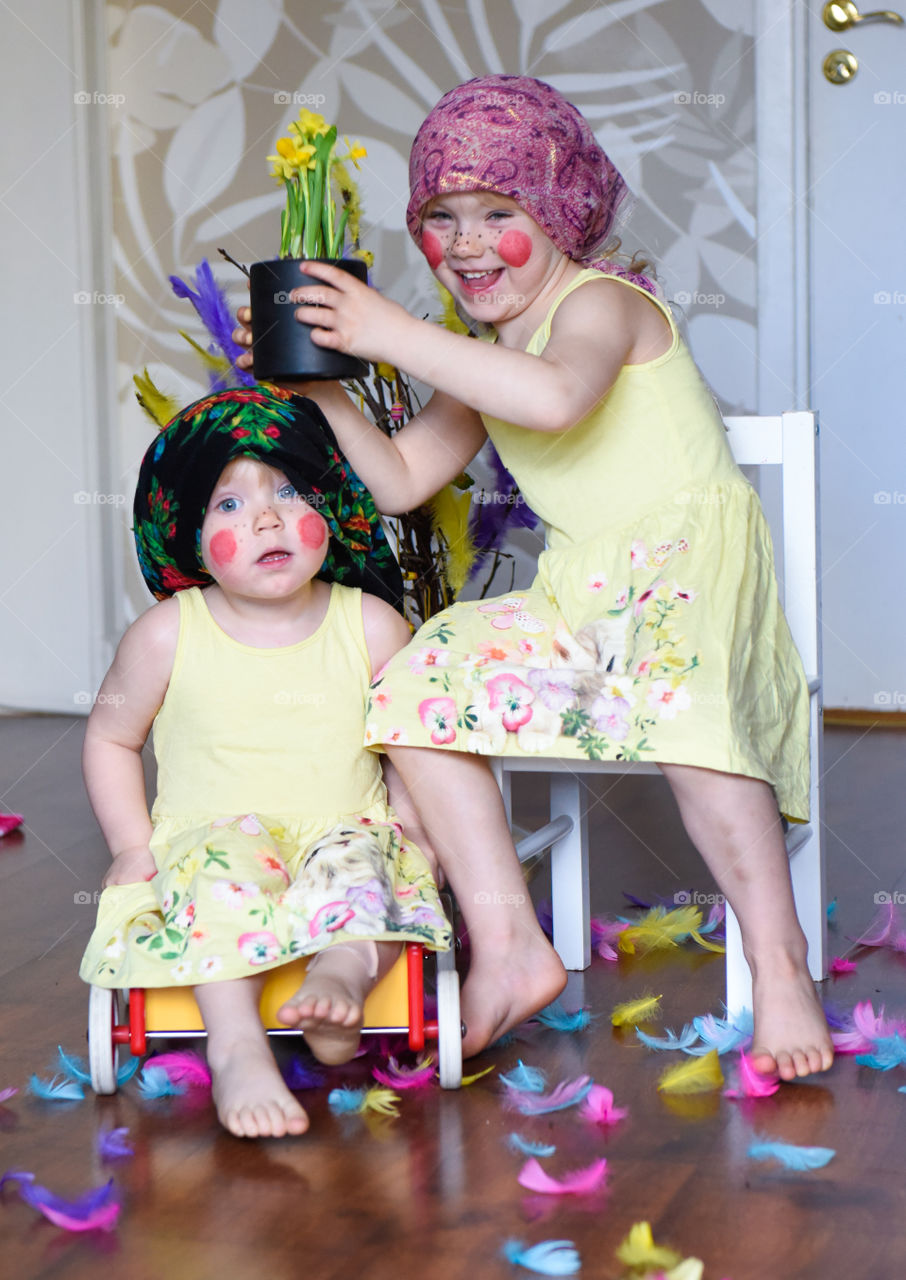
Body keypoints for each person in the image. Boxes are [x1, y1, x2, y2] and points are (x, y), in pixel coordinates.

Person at [233, 73, 833, 1081]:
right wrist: (321, 390)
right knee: (417, 686)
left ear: (559, 213)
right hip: (579, 597)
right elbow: (400, 479)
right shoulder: (484, 352)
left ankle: (780, 961)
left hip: (688, 571)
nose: (468, 243)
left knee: (688, 710)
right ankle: (511, 938)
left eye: (498, 214)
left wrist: (384, 331)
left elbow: (556, 399)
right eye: (441, 218)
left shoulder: (602, 304)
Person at [79, 385, 452, 1139]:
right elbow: (110, 739)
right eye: (228, 506)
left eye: (289, 491)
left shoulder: (373, 624)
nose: (267, 517)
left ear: (332, 508)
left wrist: (414, 827)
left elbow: (418, 744)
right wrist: (130, 845)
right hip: (214, 831)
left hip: (342, 825)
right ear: (183, 532)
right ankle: (238, 1045)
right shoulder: (166, 635)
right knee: (217, 879)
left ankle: (341, 976)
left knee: (362, 869)